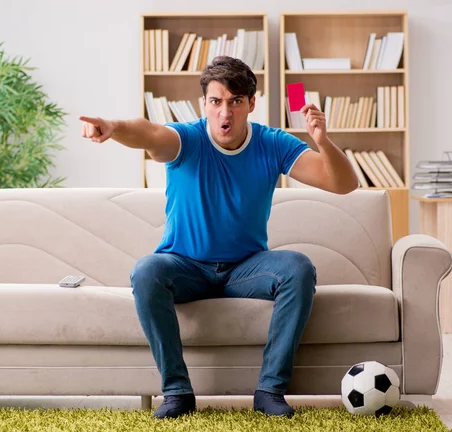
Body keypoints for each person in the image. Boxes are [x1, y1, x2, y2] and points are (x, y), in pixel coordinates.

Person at [80, 56, 358, 419]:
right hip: (185, 267)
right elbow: (148, 132)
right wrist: (112, 126)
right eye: (216, 102)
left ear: (251, 104)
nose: (224, 113)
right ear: (204, 105)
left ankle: (270, 390)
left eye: (235, 102)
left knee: (297, 268)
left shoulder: (273, 143)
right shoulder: (187, 139)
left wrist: (323, 141)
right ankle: (177, 392)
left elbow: (344, 183)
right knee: (146, 271)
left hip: (247, 268)